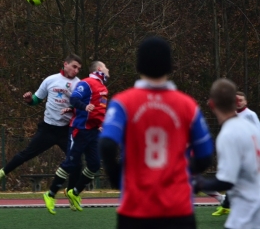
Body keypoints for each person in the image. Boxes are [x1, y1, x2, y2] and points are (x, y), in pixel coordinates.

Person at [99, 36, 214, 229]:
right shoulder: (188, 105)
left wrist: (116, 177)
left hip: (135, 210)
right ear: (169, 66)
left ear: (139, 65)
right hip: (178, 210)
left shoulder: (123, 103)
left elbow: (107, 143)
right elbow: (205, 157)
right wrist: (183, 170)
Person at [0, 54, 82, 202]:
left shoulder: (80, 85)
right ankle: (3, 172)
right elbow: (37, 99)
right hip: (47, 129)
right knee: (26, 154)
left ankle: (71, 194)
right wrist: (29, 100)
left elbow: (81, 106)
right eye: (74, 66)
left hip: (65, 131)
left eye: (79, 68)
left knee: (76, 160)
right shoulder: (50, 80)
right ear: (65, 64)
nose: (76, 70)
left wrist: (73, 109)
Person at [43, 61, 109, 215]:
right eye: (106, 67)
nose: (108, 70)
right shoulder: (87, 83)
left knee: (94, 164)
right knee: (71, 163)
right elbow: (74, 98)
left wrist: (101, 123)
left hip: (93, 132)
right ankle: (50, 194)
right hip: (79, 130)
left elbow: (98, 110)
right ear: (99, 69)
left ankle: (75, 192)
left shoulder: (103, 88)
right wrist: (82, 107)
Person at [193, 78, 260, 229]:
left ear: (211, 104)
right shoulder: (250, 127)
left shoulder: (229, 133)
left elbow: (226, 181)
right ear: (236, 101)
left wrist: (197, 184)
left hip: (246, 214)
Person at [210, 90, 260, 216]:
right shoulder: (232, 115)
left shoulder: (250, 115)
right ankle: (227, 205)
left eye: (241, 100)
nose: (238, 103)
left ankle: (229, 205)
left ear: (246, 101)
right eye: (236, 100)